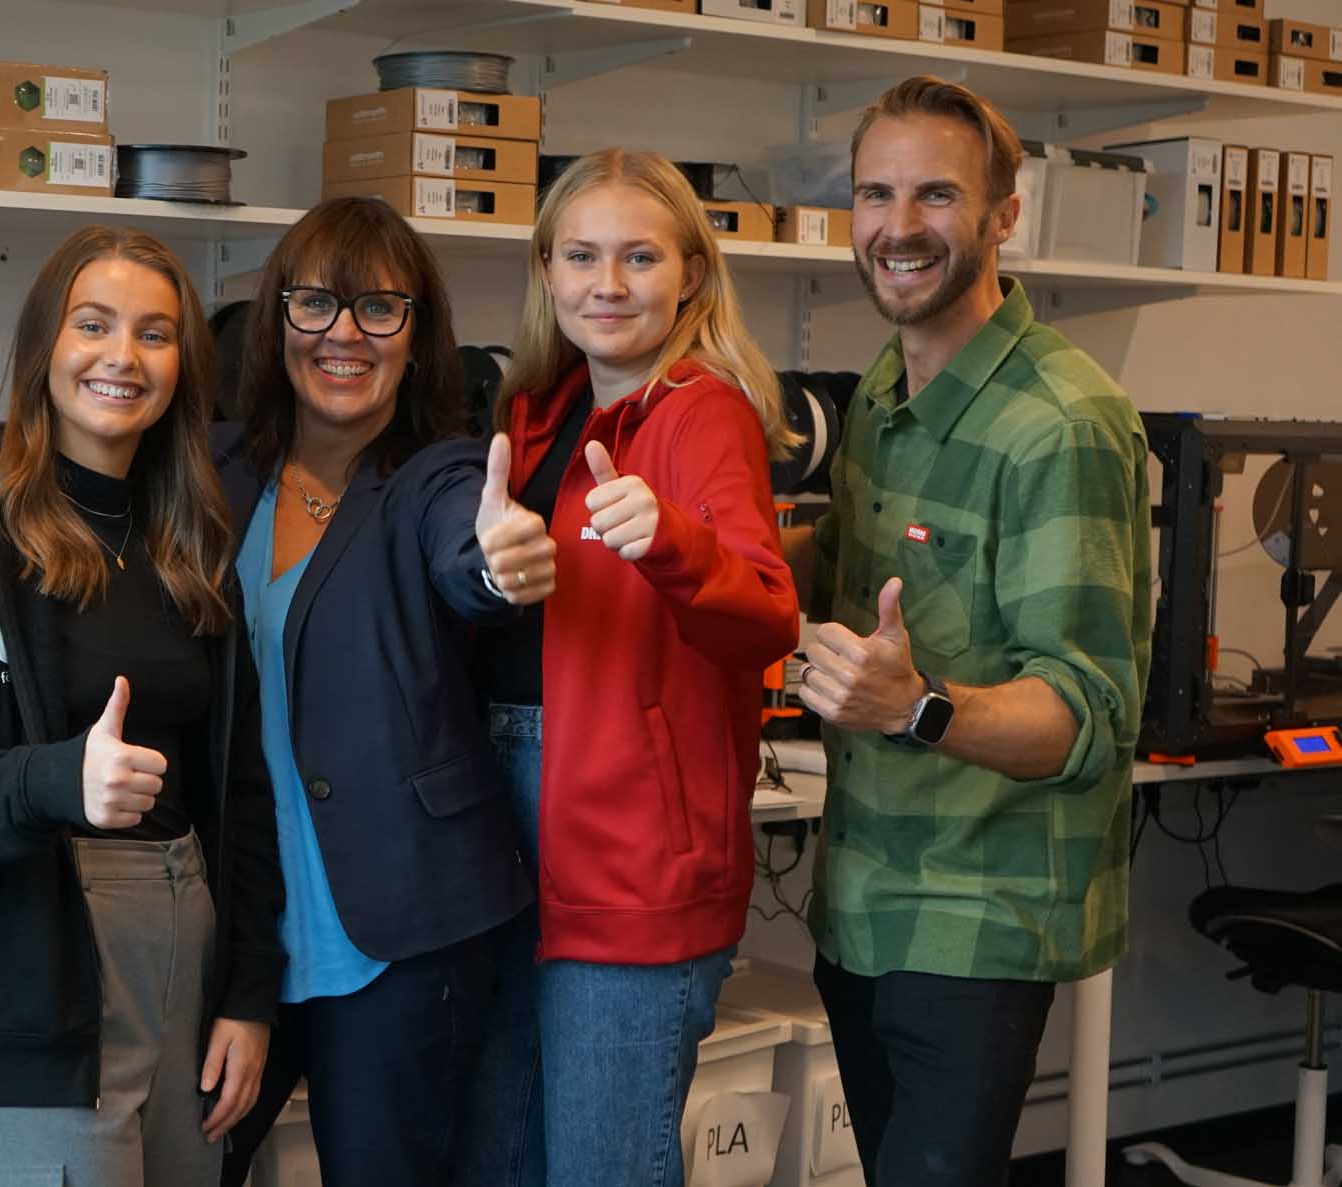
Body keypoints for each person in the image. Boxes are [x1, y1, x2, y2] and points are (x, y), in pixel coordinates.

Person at [785, 76, 1150, 1187]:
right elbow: (867, 585)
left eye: (935, 194)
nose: (898, 228)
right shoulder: (889, 392)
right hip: (861, 904)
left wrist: (916, 705)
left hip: (977, 918)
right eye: (874, 194)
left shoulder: (1060, 421)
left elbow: (1086, 711)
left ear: (1003, 213)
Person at [0, 225, 285, 1187]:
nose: (122, 356)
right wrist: (60, 778)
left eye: (155, 333)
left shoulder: (189, 544)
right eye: (93, 324)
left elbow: (241, 788)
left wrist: (246, 995)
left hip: (186, 972)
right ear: (43, 349)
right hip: (30, 989)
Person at [462, 148, 801, 1187]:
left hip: (629, 852)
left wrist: (668, 541)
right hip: (509, 825)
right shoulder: (537, 412)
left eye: (639, 256)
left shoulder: (703, 413)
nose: (606, 284)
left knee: (601, 1165)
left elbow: (763, 616)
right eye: (580, 255)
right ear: (545, 269)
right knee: (498, 1158)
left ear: (690, 273)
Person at [214, 196, 554, 1187]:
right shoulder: (217, 465)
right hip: (238, 929)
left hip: (401, 930)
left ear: (418, 334)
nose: (343, 336)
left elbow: (467, 551)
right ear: (275, 318)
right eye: (314, 304)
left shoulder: (434, 473)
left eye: (379, 309)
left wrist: (498, 559)